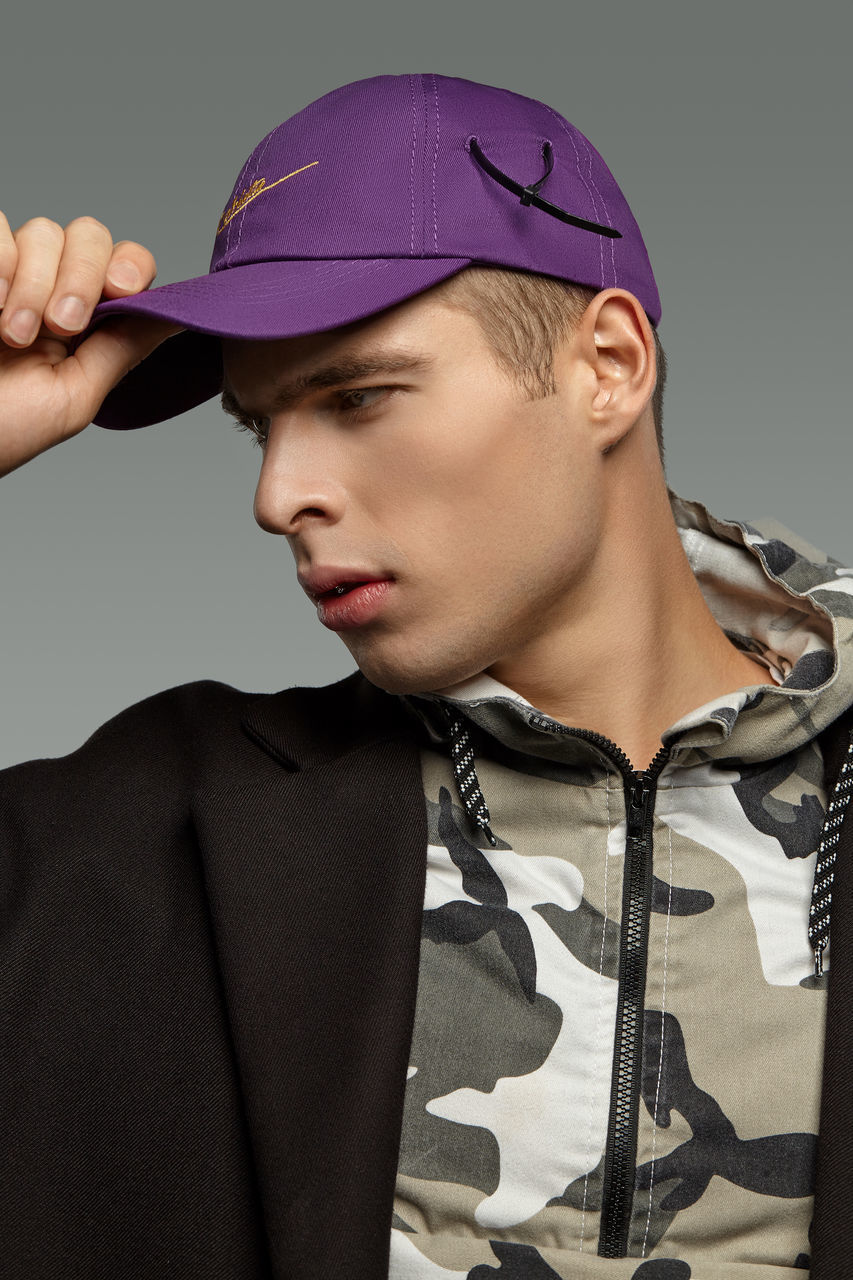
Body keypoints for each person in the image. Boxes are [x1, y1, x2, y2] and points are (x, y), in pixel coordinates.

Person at [1, 73, 852, 1280]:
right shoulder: (154, 826)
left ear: (607, 364)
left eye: (355, 397)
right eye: (260, 425)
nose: (275, 496)